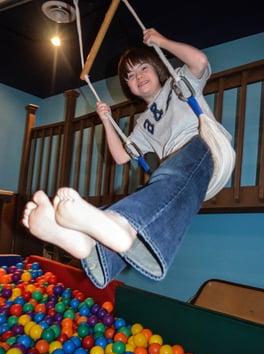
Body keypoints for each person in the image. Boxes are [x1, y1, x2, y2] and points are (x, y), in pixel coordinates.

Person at [23, 28, 216, 288]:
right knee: (143, 195)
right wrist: (106, 120)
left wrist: (160, 41)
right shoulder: (143, 122)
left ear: (157, 68)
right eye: (131, 76)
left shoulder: (177, 82)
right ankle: (87, 242)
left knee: (170, 173)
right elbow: (121, 156)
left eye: (143, 69)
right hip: (175, 171)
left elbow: (200, 62)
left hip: (206, 149)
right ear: (129, 87)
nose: (138, 77)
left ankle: (123, 225)